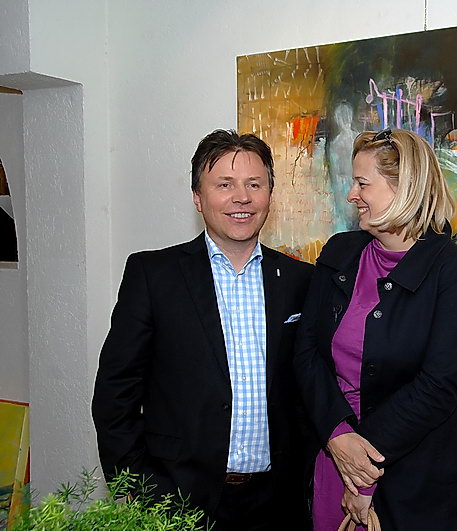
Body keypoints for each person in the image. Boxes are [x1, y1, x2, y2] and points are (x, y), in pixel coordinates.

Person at [92, 129, 314, 530]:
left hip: (279, 502)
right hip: (176, 499)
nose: (242, 198)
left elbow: (310, 386)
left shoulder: (301, 280)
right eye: (224, 185)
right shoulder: (153, 276)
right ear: (198, 197)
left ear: (270, 194)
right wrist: (139, 485)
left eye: (254, 184)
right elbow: (116, 390)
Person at [294, 128, 457, 530]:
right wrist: (337, 435)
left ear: (406, 188)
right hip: (336, 454)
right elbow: (306, 353)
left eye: (362, 183)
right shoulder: (339, 252)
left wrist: (362, 468)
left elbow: (440, 384)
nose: (352, 195)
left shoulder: (455, 271)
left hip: (413, 473)